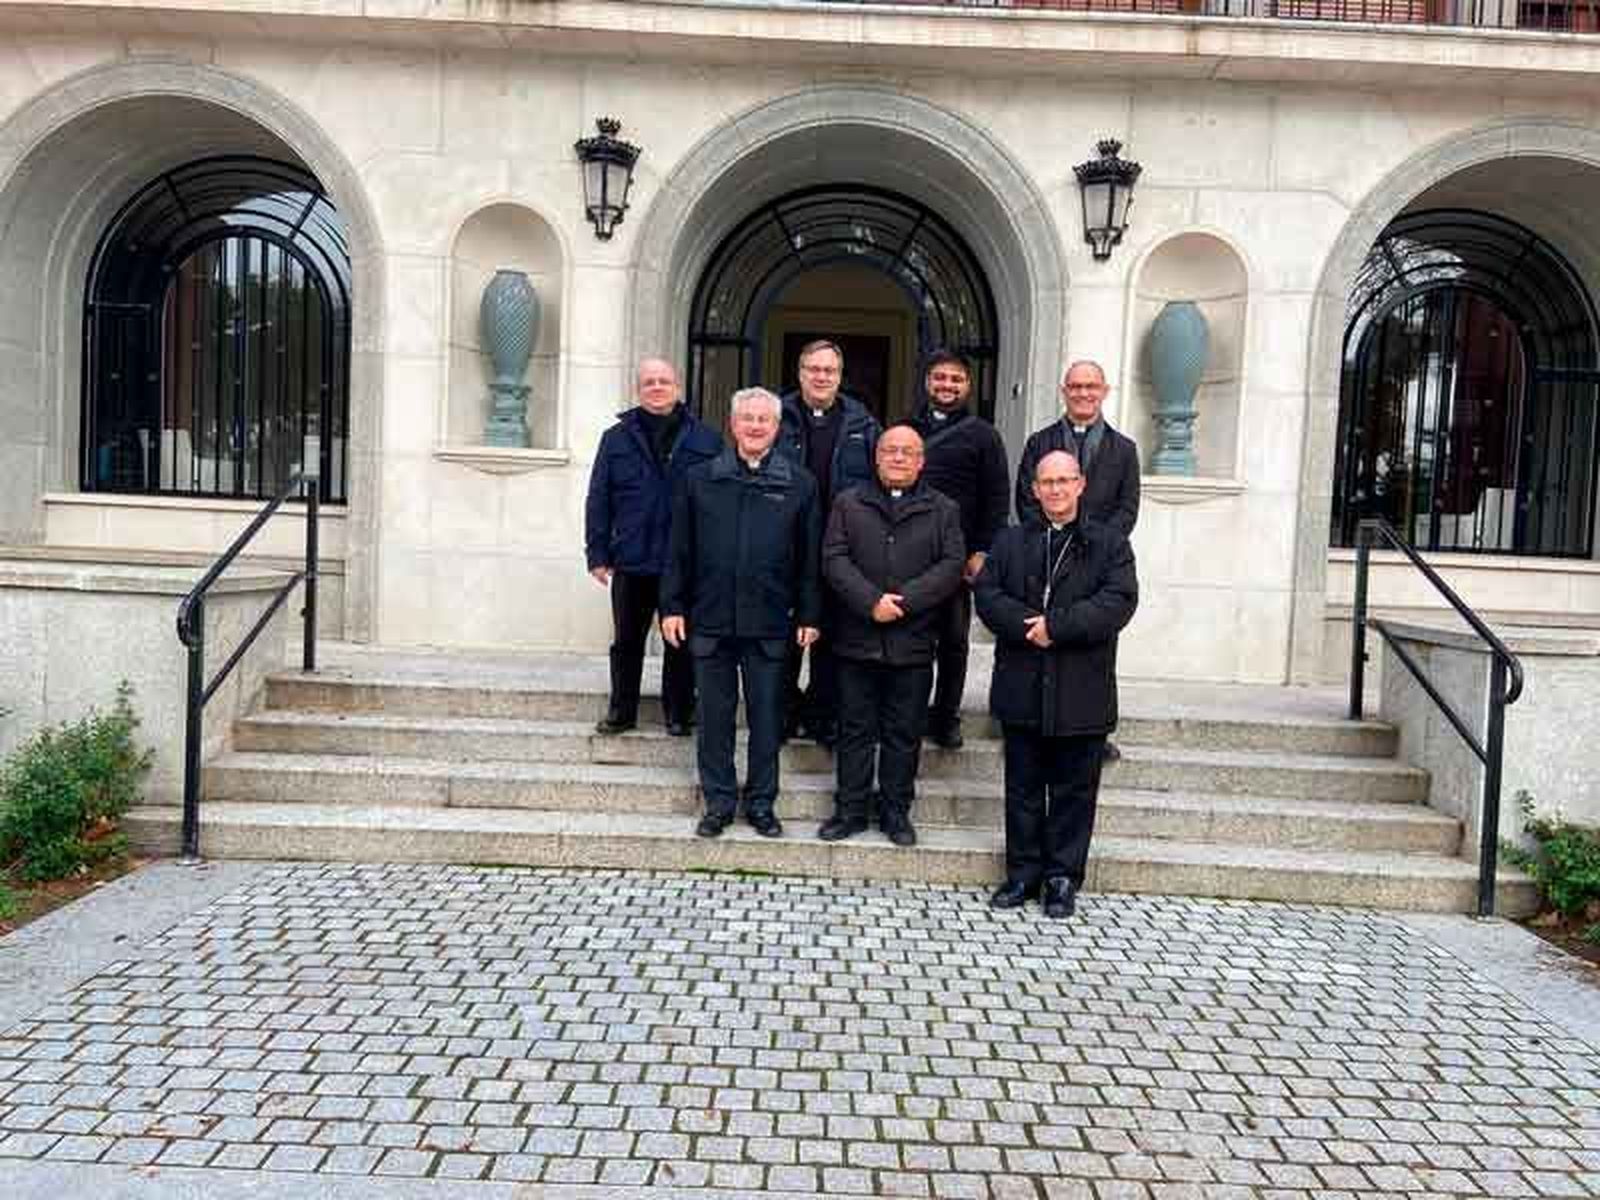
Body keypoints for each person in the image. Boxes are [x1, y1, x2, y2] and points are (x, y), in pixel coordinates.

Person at [975, 450, 1138, 919]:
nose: (1056, 489)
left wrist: (1057, 627)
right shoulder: (1010, 540)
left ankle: (1063, 878)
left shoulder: (1110, 544)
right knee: (1022, 788)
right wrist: (1030, 626)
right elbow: (988, 594)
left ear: (1081, 484)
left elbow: (1118, 601)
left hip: (1081, 689)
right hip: (1022, 684)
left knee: (1074, 791)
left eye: (1064, 480)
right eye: (1047, 482)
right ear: (1034, 489)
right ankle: (1023, 874)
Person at [661, 387, 822, 840]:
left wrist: (809, 614)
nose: (755, 426)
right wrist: (672, 605)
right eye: (747, 418)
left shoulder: (800, 484)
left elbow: (810, 558)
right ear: (732, 425)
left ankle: (762, 804)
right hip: (710, 618)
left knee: (768, 719)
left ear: (776, 427)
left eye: (763, 420)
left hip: (770, 622)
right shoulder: (699, 479)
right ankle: (718, 803)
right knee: (714, 718)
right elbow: (678, 549)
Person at [820, 424, 965, 847]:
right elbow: (834, 558)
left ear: (921, 462)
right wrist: (870, 602)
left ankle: (895, 812)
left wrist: (904, 601)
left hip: (913, 639)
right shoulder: (848, 503)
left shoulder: (943, 509)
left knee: (904, 733)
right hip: (857, 638)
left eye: (907, 452)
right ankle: (850, 810)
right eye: (890, 451)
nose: (898, 458)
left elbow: (951, 564)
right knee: (854, 730)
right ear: (876, 457)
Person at [584, 358, 722, 736]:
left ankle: (679, 713)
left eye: (664, 381)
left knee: (682, 640)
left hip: (685, 560)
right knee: (627, 641)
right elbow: (599, 497)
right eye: (649, 382)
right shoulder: (615, 438)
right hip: (633, 557)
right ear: (638, 390)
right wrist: (597, 553)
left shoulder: (706, 440)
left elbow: (719, 503)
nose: (657, 387)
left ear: (678, 387)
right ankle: (621, 711)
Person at [1014, 359, 1140, 760]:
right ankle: (1031, 722)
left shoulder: (1124, 449)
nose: (1083, 393)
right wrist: (1053, 537)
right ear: (1064, 391)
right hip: (1045, 557)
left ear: (1105, 391)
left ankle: (1093, 732)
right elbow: (1026, 499)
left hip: (1098, 565)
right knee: (1040, 640)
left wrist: (1096, 547)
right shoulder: (1039, 442)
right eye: (1075, 386)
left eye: (1091, 386)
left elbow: (1127, 508)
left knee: (1094, 644)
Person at [775, 339, 881, 748]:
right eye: (814, 369)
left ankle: (822, 715)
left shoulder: (863, 425)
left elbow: (877, 482)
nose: (822, 377)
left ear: (840, 376)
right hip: (786, 546)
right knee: (784, 637)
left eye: (830, 371)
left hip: (841, 548)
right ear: (800, 373)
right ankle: (784, 711)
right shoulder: (776, 417)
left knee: (833, 640)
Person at [909, 349, 1010, 750]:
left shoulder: (984, 435)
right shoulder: (905, 429)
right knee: (913, 640)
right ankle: (911, 712)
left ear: (967, 385)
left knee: (953, 639)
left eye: (956, 378)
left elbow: (997, 498)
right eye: (940, 377)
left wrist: (982, 550)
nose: (947, 385)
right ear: (927, 382)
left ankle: (946, 716)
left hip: (959, 554)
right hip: (911, 554)